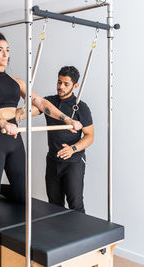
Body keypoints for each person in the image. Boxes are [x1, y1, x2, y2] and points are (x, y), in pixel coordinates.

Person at [0, 31, 82, 212]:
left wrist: (68, 119)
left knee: (22, 196)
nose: (6, 54)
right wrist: (4, 123)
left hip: (14, 139)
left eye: (7, 50)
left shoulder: (17, 82)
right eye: (0, 50)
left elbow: (41, 103)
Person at [40, 66, 94, 213]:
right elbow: (32, 109)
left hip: (73, 163)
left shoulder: (80, 107)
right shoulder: (49, 102)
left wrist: (73, 149)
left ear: (75, 86)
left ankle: (78, 235)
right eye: (59, 82)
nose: (61, 87)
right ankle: (59, 236)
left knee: (75, 205)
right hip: (53, 161)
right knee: (54, 205)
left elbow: (90, 136)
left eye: (66, 84)